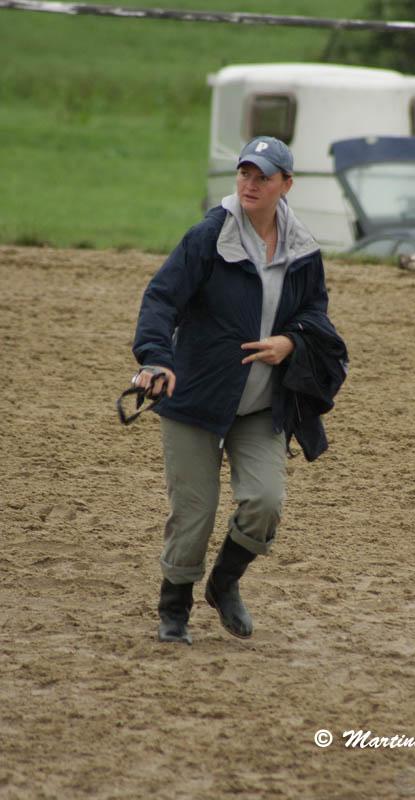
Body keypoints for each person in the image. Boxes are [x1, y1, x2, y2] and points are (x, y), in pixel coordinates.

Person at [132, 136, 347, 645]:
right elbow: (161, 299)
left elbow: (315, 313)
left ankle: (224, 582)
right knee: (195, 513)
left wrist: (291, 342)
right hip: (195, 399)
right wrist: (156, 358)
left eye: (263, 177)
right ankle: (174, 609)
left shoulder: (303, 248)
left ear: (285, 185)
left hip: (261, 404)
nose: (250, 184)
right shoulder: (209, 236)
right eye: (245, 173)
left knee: (265, 502)